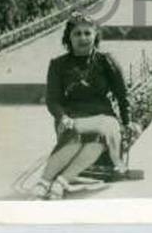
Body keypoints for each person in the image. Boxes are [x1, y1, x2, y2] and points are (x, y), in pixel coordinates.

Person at [30, 13, 131, 199]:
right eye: (77, 34)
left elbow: (122, 95)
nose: (83, 38)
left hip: (102, 115)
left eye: (87, 33)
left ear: (95, 35)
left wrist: (127, 123)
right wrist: (62, 117)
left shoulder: (107, 61)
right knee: (75, 136)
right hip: (72, 116)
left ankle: (60, 182)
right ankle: (44, 182)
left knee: (100, 136)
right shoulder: (58, 65)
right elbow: (52, 100)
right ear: (69, 37)